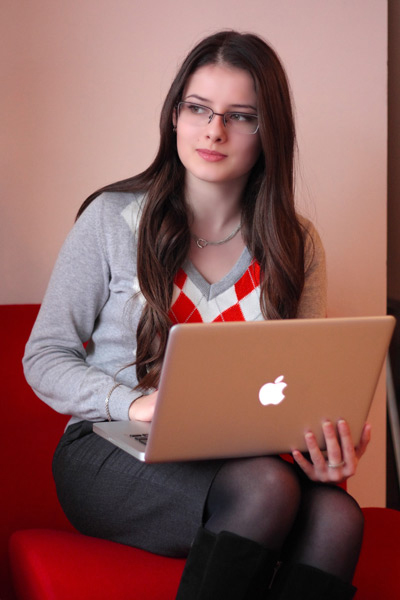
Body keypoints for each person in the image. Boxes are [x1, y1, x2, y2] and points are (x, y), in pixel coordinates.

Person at [23, 30, 370, 599]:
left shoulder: (296, 244)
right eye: (199, 108)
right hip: (111, 447)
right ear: (175, 115)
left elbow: (302, 385)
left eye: (241, 116)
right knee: (265, 487)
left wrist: (320, 449)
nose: (214, 130)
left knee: (339, 516)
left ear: (269, 132)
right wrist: (135, 404)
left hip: (237, 459)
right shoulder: (112, 219)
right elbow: (44, 356)